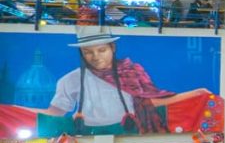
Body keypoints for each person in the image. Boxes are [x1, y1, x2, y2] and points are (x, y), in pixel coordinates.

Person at [33, 27, 211, 135]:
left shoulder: (131, 72)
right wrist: (11, 111)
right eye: (88, 52)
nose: (95, 57)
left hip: (128, 129)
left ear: (113, 48)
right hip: (88, 133)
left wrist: (194, 94)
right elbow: (54, 112)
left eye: (101, 50)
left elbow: (149, 101)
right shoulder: (70, 80)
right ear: (81, 54)